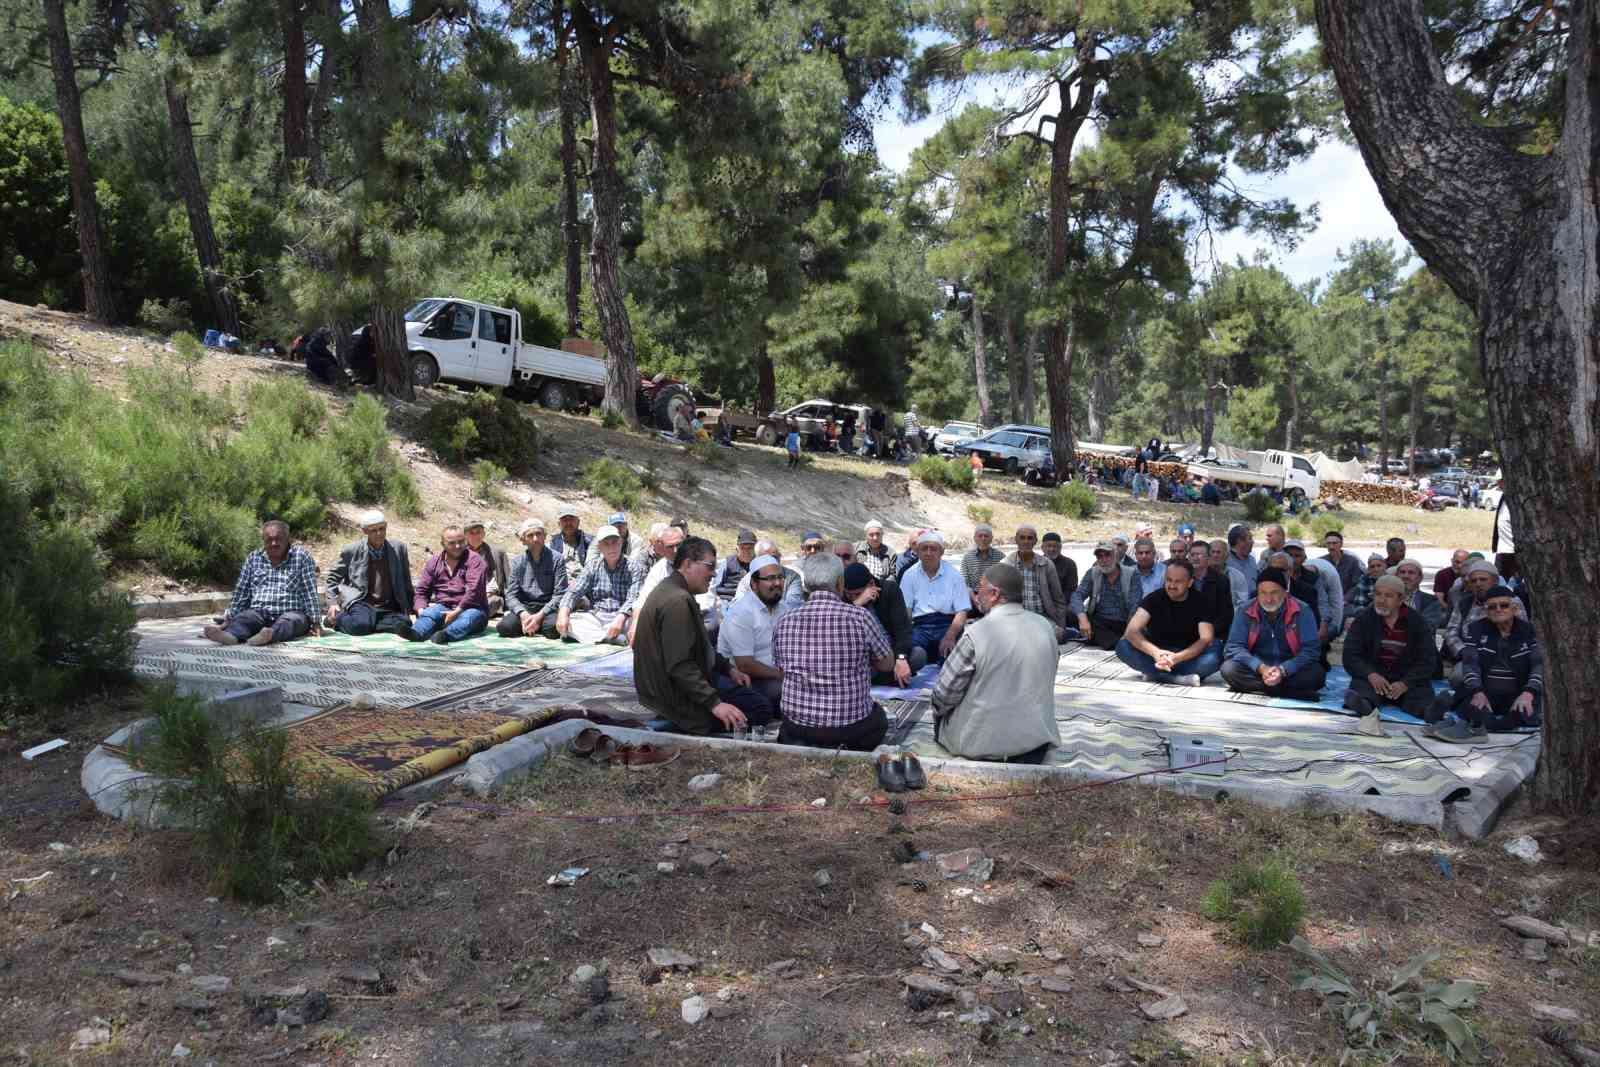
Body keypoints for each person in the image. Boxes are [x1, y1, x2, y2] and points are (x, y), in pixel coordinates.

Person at [634, 537, 774, 735]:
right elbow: (680, 666)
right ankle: (674, 723)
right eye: (710, 566)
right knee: (761, 709)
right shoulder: (677, 601)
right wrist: (715, 704)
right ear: (688, 564)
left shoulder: (675, 590)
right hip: (671, 694)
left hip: (674, 684)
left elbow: (699, 646)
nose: (714, 573)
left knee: (752, 694)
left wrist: (728, 669)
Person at [930, 564, 1062, 763]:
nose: (976, 594)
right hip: (1036, 743)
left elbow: (943, 695)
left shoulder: (977, 633)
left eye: (980, 588)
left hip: (982, 746)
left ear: (993, 594)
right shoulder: (1046, 626)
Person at [772, 553, 896, 750]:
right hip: (849, 728)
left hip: (797, 728)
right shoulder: (860, 617)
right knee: (878, 717)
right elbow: (887, 664)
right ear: (840, 583)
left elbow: (781, 672)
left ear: (806, 585)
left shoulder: (784, 621)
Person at [1434, 585, 1543, 731]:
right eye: (1492, 607)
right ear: (1486, 611)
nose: (1498, 609)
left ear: (1515, 608)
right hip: (1485, 690)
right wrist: (1477, 692)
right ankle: (1449, 700)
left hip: (1520, 691)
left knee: (1525, 718)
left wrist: (1528, 693)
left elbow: (1538, 664)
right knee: (1478, 717)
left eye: (1504, 605)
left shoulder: (1530, 631)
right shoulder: (1476, 629)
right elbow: (1470, 664)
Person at [205, 520, 321, 646]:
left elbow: (309, 592)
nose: (274, 543)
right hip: (259, 612)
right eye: (269, 540)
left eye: (278, 539)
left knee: (290, 623)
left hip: (292, 612)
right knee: (245, 618)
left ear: (288, 539)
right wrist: (230, 617)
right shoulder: (254, 558)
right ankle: (231, 636)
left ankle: (269, 636)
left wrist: (316, 622)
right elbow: (242, 591)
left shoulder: (302, 557)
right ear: (263, 541)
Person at [1341, 574, 1437, 718]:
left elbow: (1427, 660)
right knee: (1362, 687)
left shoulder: (1417, 622)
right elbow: (1350, 655)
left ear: (1400, 599)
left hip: (1405, 676)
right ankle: (1364, 706)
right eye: (1378, 594)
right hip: (1375, 676)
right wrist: (1371, 674)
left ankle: (1430, 712)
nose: (1381, 600)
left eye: (1388, 596)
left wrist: (1405, 683)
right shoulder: (1364, 619)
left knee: (1420, 694)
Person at [1221, 568, 1325, 700]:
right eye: (1263, 593)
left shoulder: (1302, 610)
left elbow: (1311, 650)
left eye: (1274, 593)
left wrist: (1283, 670)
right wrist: (1261, 668)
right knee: (1228, 669)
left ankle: (1263, 688)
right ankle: (1286, 691)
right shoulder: (1245, 610)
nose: (1268, 599)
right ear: (1257, 593)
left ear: (1285, 592)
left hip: (1290, 669)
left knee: (1316, 674)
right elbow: (1234, 647)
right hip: (1258, 669)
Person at [1115, 559, 1219, 685]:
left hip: (1188, 656)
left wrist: (1176, 658)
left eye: (1178, 581)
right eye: (1168, 580)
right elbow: (1131, 631)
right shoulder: (1154, 599)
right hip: (1156, 654)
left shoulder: (1202, 602)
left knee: (1216, 654)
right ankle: (1177, 678)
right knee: (1122, 646)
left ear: (1190, 582)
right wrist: (1156, 653)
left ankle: (1156, 674)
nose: (1172, 585)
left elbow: (1205, 639)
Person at [324, 509, 416, 638]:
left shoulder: (399, 549)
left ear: (386, 526)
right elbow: (333, 578)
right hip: (362, 602)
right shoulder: (352, 550)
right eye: (374, 530)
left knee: (405, 623)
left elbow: (406, 580)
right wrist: (333, 603)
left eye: (382, 529)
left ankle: (370, 624)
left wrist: (414, 607)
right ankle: (337, 620)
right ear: (365, 531)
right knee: (360, 626)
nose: (379, 533)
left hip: (388, 605)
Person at [717, 553, 791, 707]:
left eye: (780, 577)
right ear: (754, 584)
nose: (777, 583)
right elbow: (745, 664)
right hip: (745, 679)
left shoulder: (784, 609)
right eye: (770, 578)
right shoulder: (742, 612)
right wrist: (784, 676)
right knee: (792, 691)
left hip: (777, 675)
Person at [840, 562, 924, 687]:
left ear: (872, 585)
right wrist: (857, 604)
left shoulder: (889, 590)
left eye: (857, 594)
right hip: (861, 658)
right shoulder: (845, 598)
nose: (852, 597)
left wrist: (901, 658)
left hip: (890, 653)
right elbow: (840, 629)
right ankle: (886, 678)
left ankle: (879, 678)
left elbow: (903, 629)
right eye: (849, 594)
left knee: (919, 655)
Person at [897, 530, 972, 664]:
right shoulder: (909, 575)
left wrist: (950, 636)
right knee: (914, 658)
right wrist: (905, 639)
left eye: (933, 549)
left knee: (952, 660)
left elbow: (962, 611)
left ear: (941, 552)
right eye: (924, 548)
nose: (928, 553)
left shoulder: (954, 575)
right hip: (920, 626)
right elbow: (906, 611)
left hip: (947, 625)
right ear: (918, 551)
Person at [557, 525, 641, 644]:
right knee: (571, 621)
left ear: (621, 543)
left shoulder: (633, 567)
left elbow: (634, 598)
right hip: (597, 617)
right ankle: (609, 638)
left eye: (615, 542)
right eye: (606, 544)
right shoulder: (593, 566)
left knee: (640, 624)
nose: (611, 547)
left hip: (623, 617)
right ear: (599, 547)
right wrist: (563, 612)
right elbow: (575, 591)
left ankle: (599, 637)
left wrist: (621, 617)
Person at [410, 526, 490, 643]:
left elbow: (473, 591)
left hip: (471, 608)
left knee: (468, 619)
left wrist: (456, 612)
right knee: (429, 614)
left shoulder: (475, 560)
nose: (457, 546)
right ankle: (415, 633)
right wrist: (421, 610)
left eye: (461, 542)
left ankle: (445, 635)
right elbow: (422, 591)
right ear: (442, 544)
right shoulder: (434, 562)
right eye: (452, 543)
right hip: (443, 606)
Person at [1443, 559, 1527, 662]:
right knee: (1458, 677)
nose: (1478, 584)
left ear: (1495, 581)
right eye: (1474, 581)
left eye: (1483, 579)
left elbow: (1522, 632)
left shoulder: (1511, 601)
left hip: (1505, 658)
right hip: (1470, 657)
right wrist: (1462, 651)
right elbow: (1451, 632)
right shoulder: (1464, 603)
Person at [497, 518, 567, 638]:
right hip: (526, 607)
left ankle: (534, 625)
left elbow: (560, 594)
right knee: (504, 628)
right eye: (530, 535)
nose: (535, 539)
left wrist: (540, 616)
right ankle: (531, 624)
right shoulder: (517, 562)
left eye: (538, 534)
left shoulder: (557, 559)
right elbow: (511, 595)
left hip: (548, 607)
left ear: (544, 536)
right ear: (523, 540)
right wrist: (523, 614)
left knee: (552, 630)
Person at [1070, 541, 1140, 650]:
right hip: (1098, 621)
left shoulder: (1131, 574)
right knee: (1070, 613)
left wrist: (1130, 631)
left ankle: (1112, 641)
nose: (1104, 560)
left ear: (1115, 556)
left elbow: (1135, 605)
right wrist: (1083, 619)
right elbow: (1077, 595)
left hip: (1123, 622)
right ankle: (1114, 641)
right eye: (1100, 556)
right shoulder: (1093, 573)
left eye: (1107, 555)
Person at [1004, 524, 1068, 639]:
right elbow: (1000, 598)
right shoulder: (1006, 564)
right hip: (1015, 617)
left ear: (1035, 541)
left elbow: (1058, 598)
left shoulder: (1046, 564)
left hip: (1042, 617)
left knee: (1055, 636)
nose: (1026, 541)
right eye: (1022, 538)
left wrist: (1061, 625)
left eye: (1030, 538)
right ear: (1016, 540)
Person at [1188, 541, 1233, 648]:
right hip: (1186, 635)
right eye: (1192, 554)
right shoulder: (1183, 579)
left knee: (1208, 662)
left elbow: (1226, 614)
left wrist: (1208, 633)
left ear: (1208, 558)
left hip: (1214, 635)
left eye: (1199, 554)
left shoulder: (1221, 581)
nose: (1195, 558)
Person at [462, 519, 511, 617]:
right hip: (465, 595)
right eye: (472, 533)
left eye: (478, 532)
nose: (476, 536)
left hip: (490, 596)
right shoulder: (458, 553)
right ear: (465, 536)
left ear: (484, 534)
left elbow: (509, 581)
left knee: (492, 602)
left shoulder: (498, 552)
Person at [1393, 558, 1443, 630]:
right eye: (1402, 572)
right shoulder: (1386, 598)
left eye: (1411, 573)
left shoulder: (1430, 601)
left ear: (1420, 578)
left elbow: (1427, 628)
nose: (1406, 576)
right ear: (1396, 576)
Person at [1321, 531, 1363, 614]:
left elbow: (1356, 584)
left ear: (1341, 544)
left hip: (1347, 602)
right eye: (1328, 543)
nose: (1331, 546)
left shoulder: (1352, 561)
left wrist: (1345, 600)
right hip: (1327, 602)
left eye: (1334, 543)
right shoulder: (1321, 562)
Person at [711, 529, 758, 602]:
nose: (746, 552)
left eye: (750, 548)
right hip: (727, 601)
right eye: (742, 548)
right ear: (737, 549)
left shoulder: (759, 565)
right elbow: (715, 586)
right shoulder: (728, 562)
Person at [960, 524, 1005, 596]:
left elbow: (1004, 581)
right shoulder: (967, 558)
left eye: (986, 536)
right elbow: (964, 583)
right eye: (980, 536)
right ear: (975, 538)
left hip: (995, 596)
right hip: (974, 596)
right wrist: (973, 598)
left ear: (991, 538)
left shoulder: (1000, 556)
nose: (983, 539)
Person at [551, 507, 591, 580]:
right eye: (565, 520)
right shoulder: (552, 544)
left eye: (571, 519)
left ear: (578, 522)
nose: (568, 523)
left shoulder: (589, 542)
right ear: (559, 524)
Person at [1040, 532, 1079, 603]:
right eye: (1048, 546)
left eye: (1055, 546)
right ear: (1042, 548)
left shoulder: (1069, 564)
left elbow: (1071, 590)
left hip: (1062, 603)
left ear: (1060, 547)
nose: (1052, 549)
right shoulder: (1037, 563)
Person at [1225, 525, 1257, 609]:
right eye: (1250, 538)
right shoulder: (1226, 561)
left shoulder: (1252, 560)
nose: (1253, 542)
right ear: (1240, 541)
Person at [1348, 552, 1386, 623]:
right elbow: (1359, 604)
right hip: (1368, 614)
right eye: (1372, 567)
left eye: (1379, 566)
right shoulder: (1364, 580)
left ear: (1384, 566)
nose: (1376, 569)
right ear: (1368, 569)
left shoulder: (1391, 579)